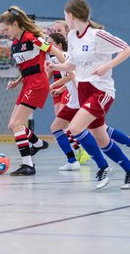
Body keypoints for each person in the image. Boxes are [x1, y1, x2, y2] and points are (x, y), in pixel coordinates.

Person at [50, 0, 130, 189]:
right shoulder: (72, 36)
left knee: (74, 128)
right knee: (101, 137)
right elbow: (72, 64)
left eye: (65, 15)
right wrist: (55, 65)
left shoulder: (97, 35)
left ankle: (103, 167)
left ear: (71, 15)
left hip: (101, 90)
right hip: (83, 88)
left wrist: (106, 65)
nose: (65, 18)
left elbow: (127, 49)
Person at [0, 6, 65, 176]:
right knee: (12, 125)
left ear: (15, 24)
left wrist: (68, 70)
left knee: (16, 124)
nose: (5, 32)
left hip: (37, 84)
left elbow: (55, 51)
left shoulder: (32, 39)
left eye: (6, 29)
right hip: (27, 83)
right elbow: (26, 67)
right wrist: (17, 81)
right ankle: (37, 144)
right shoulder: (15, 44)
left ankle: (28, 165)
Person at [47, 32, 90, 166]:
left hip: (79, 97)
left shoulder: (64, 56)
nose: (48, 45)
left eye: (50, 43)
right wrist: (59, 89)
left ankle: (80, 152)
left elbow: (71, 76)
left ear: (59, 45)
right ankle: (74, 157)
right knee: (59, 126)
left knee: (98, 130)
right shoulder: (55, 59)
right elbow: (69, 78)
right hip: (73, 97)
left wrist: (54, 85)